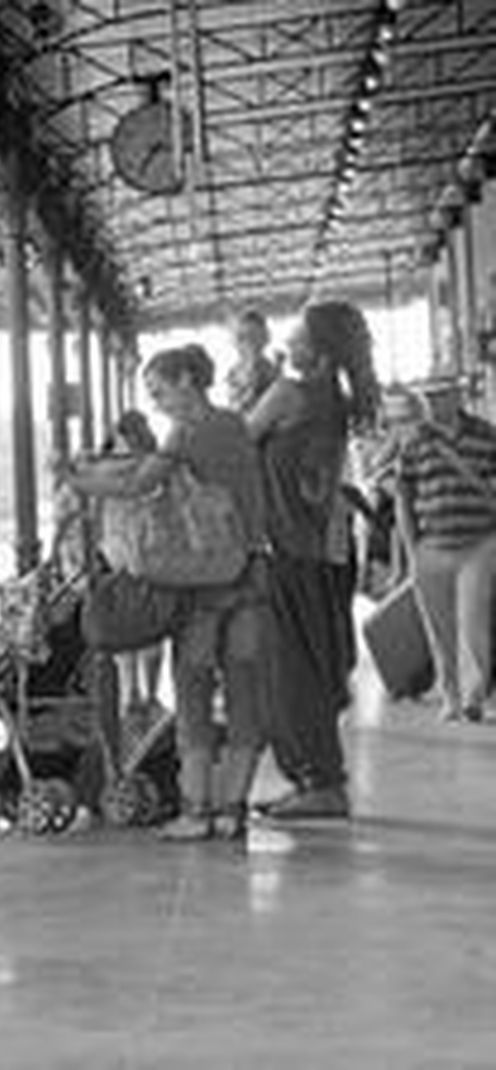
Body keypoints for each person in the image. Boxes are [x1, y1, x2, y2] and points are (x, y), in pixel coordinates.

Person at [60, 344, 267, 841]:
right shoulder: (236, 425)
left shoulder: (187, 432)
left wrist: (75, 477)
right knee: (243, 695)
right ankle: (232, 809)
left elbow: (138, 483)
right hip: (250, 577)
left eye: (160, 390)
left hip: (201, 588)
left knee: (193, 693)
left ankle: (196, 811)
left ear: (188, 380)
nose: (157, 403)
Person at [245, 300, 380, 820]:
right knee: (315, 666)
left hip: (288, 549)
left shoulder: (287, 393)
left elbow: (237, 440)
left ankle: (319, 782)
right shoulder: (337, 399)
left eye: (298, 337)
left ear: (320, 355)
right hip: (326, 551)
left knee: (289, 670)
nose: (287, 343)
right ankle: (319, 779)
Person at [394, 376, 496, 724]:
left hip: (478, 543)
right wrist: (410, 547)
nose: (434, 403)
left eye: (441, 395)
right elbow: (403, 495)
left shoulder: (485, 434)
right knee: (439, 627)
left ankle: (474, 695)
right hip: (432, 544)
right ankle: (450, 694)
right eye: (428, 397)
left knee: (472, 621)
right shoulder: (414, 441)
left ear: (457, 396)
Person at [97, 411, 165, 727]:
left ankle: (132, 696)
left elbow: (76, 501)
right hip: (151, 556)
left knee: (125, 628)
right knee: (151, 627)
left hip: (118, 556)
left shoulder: (104, 466)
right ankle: (148, 696)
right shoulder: (154, 461)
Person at [226, 309, 279, 415]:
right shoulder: (234, 370)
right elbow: (233, 401)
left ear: (265, 338)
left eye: (253, 337)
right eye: (241, 338)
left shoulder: (267, 368)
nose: (248, 344)